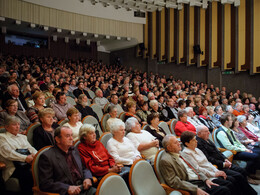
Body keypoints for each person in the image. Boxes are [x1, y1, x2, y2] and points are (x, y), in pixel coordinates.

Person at [181, 131, 256, 194]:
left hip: (213, 171)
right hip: (207, 176)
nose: (196, 141)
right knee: (229, 184)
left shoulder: (197, 149)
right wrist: (215, 173)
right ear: (187, 143)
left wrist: (217, 171)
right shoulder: (186, 153)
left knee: (234, 179)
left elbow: (208, 163)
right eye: (193, 140)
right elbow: (197, 169)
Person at [160, 135, 231, 195]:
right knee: (224, 190)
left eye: (178, 141)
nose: (179, 143)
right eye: (176, 143)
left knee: (228, 184)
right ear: (169, 147)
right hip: (191, 184)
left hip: (200, 179)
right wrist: (195, 189)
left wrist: (206, 179)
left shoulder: (180, 153)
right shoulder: (165, 160)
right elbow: (174, 182)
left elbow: (194, 168)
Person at [38, 126, 96, 195]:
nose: (71, 138)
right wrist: (67, 188)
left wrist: (88, 178)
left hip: (83, 187)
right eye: (67, 136)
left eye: (71, 135)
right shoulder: (47, 157)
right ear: (57, 139)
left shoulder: (74, 150)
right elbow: (45, 183)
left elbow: (83, 168)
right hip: (68, 192)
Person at [0, 116, 37, 195]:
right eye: (14, 124)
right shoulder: (2, 137)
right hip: (13, 167)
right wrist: (25, 158)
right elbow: (8, 153)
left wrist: (36, 156)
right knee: (29, 174)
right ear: (6, 127)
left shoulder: (23, 137)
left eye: (18, 124)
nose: (17, 127)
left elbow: (31, 148)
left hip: (28, 163)